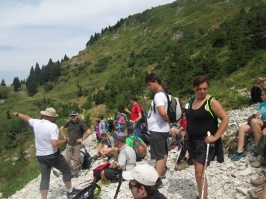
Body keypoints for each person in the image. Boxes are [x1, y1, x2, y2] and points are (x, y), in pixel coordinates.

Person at [12, 108, 81, 199]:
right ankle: (70, 191)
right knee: (66, 169)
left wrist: (18, 113)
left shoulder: (36, 122)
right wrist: (65, 141)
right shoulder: (52, 126)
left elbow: (26, 118)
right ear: (52, 117)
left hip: (40, 156)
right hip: (52, 155)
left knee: (45, 177)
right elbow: (54, 144)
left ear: (44, 115)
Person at [185, 76, 229, 199]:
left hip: (204, 142)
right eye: (200, 89)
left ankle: (204, 197)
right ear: (194, 88)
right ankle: (201, 194)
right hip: (192, 140)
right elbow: (190, 118)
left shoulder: (211, 101)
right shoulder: (192, 100)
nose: (203, 91)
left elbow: (225, 119)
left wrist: (215, 136)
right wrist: (185, 130)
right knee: (197, 172)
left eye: (205, 88)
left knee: (200, 172)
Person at [145, 72, 170, 179]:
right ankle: (163, 170)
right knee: (163, 151)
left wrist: (168, 119)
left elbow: (162, 112)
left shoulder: (158, 96)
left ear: (156, 82)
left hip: (157, 129)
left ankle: (156, 179)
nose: (149, 87)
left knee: (158, 155)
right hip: (162, 129)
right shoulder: (163, 94)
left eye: (149, 84)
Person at [60, 110, 91, 178]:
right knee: (67, 159)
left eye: (74, 115)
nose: (72, 117)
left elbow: (88, 132)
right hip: (69, 144)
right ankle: (70, 171)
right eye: (71, 115)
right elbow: (61, 128)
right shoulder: (69, 122)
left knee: (76, 159)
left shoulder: (80, 123)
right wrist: (65, 137)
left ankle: (75, 173)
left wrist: (82, 139)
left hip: (77, 144)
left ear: (77, 116)